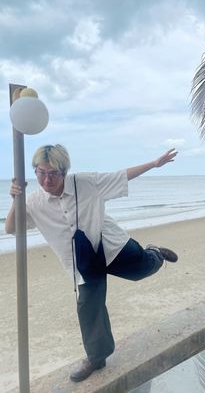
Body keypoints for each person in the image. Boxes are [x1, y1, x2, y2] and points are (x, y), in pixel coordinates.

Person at [5, 144, 178, 383]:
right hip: (83, 264)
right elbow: (12, 228)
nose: (46, 179)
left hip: (111, 245)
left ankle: (155, 252)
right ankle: (97, 357)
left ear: (64, 171)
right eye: (41, 173)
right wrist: (16, 200)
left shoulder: (85, 183)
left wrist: (154, 164)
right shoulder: (34, 201)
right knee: (88, 308)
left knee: (143, 270)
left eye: (53, 173)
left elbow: (121, 175)